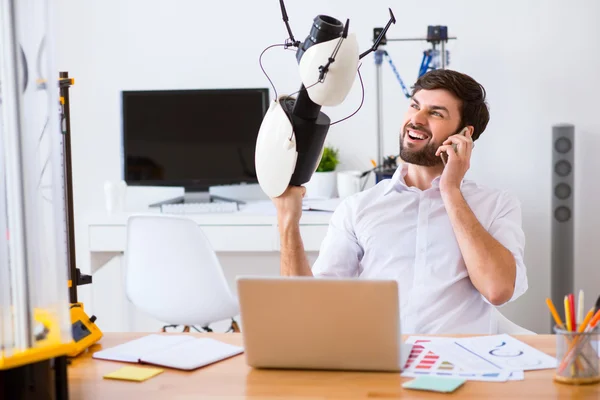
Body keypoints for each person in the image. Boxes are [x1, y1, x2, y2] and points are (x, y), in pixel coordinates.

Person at [272, 69, 528, 334]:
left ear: (464, 133)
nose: (416, 119)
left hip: (463, 363)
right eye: (414, 106)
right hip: (380, 364)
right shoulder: (358, 207)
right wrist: (287, 220)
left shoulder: (497, 205)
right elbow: (311, 307)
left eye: (436, 113)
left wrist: (450, 189)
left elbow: (497, 289)